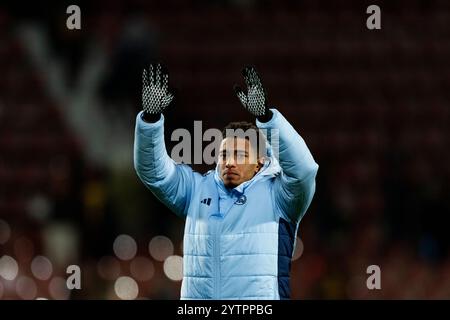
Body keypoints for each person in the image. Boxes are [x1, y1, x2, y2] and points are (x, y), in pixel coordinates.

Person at [134, 64, 319, 299]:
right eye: (224, 155)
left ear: (260, 162)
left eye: (240, 155)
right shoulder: (196, 190)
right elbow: (153, 171)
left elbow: (304, 171)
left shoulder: (280, 197)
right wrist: (150, 121)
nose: (230, 162)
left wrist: (267, 118)